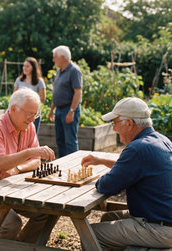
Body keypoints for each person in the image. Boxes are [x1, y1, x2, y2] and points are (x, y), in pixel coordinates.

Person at [81, 97, 172, 250]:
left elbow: (106, 186)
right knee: (108, 218)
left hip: (160, 228)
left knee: (90, 235)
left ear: (130, 123)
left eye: (114, 123)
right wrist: (102, 161)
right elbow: (136, 168)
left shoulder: (137, 149)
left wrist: (100, 177)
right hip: (162, 219)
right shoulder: (161, 140)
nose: (114, 129)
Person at [0, 88, 56, 242]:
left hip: (9, 189)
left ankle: (22, 247)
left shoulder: (29, 127)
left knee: (47, 213)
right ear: (14, 109)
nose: (32, 119)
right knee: (11, 223)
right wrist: (28, 153)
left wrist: (17, 168)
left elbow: (36, 161)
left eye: (35, 115)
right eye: (30, 114)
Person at [48, 45, 82, 157]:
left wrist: (71, 111)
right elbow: (56, 92)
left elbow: (78, 92)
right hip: (59, 109)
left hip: (69, 109)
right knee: (60, 140)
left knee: (70, 141)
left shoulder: (74, 70)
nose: (53, 60)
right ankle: (63, 164)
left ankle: (74, 165)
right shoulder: (59, 72)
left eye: (55, 57)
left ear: (63, 57)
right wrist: (52, 110)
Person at [14, 57, 46, 133]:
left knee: (32, 134)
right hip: (20, 112)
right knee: (20, 134)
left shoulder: (39, 81)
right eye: (24, 66)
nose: (24, 68)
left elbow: (43, 98)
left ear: (33, 68)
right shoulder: (19, 80)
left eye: (27, 66)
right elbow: (14, 97)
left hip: (33, 113)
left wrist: (30, 100)